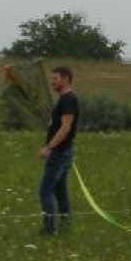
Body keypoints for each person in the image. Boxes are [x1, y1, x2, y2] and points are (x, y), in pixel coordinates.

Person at [38, 65, 79, 234]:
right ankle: (65, 226)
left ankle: (49, 230)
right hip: (63, 153)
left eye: (55, 79)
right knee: (60, 191)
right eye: (52, 79)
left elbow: (65, 128)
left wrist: (49, 147)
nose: (52, 82)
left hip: (59, 153)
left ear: (66, 79)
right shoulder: (64, 100)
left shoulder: (69, 100)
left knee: (45, 191)